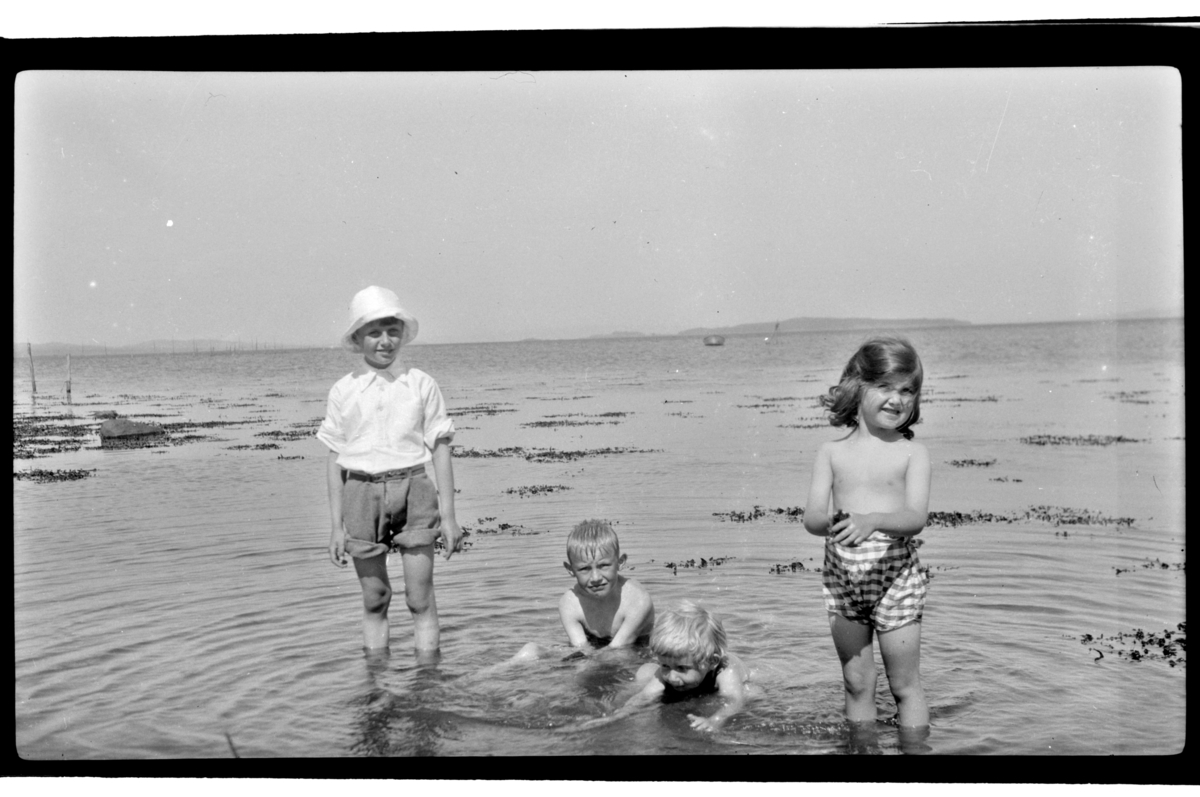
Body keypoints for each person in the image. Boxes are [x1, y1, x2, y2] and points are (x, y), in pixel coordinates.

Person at [317, 285, 463, 657]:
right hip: (361, 494)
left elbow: (441, 449)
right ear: (357, 338)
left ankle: (427, 684)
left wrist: (448, 517)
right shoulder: (343, 391)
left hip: (414, 489)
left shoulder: (421, 384)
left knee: (419, 598)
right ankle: (375, 689)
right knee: (375, 598)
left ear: (403, 333)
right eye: (374, 332)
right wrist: (336, 526)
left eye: (392, 330)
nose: (385, 341)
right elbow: (335, 460)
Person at [802, 336, 932, 729]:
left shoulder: (913, 453)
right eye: (886, 387)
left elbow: (915, 518)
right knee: (856, 681)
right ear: (858, 387)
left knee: (903, 684)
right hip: (842, 578)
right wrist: (833, 524)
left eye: (908, 390)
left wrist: (872, 520)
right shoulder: (830, 452)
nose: (898, 399)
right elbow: (812, 518)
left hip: (895, 580)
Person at [572, 602, 749, 733]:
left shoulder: (726, 671)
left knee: (751, 692)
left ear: (711, 661)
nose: (671, 676)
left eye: (681, 668)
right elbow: (643, 697)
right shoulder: (668, 673)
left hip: (743, 679)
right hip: (680, 675)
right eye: (665, 665)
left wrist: (716, 720)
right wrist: (615, 716)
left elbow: (734, 700)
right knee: (646, 676)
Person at [510, 520, 654, 664]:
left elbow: (619, 648)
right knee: (530, 650)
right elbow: (581, 648)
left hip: (634, 650)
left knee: (627, 662)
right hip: (597, 651)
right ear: (570, 570)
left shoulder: (637, 600)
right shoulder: (570, 603)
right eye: (584, 569)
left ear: (620, 563)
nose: (596, 578)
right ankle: (492, 673)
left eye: (604, 566)